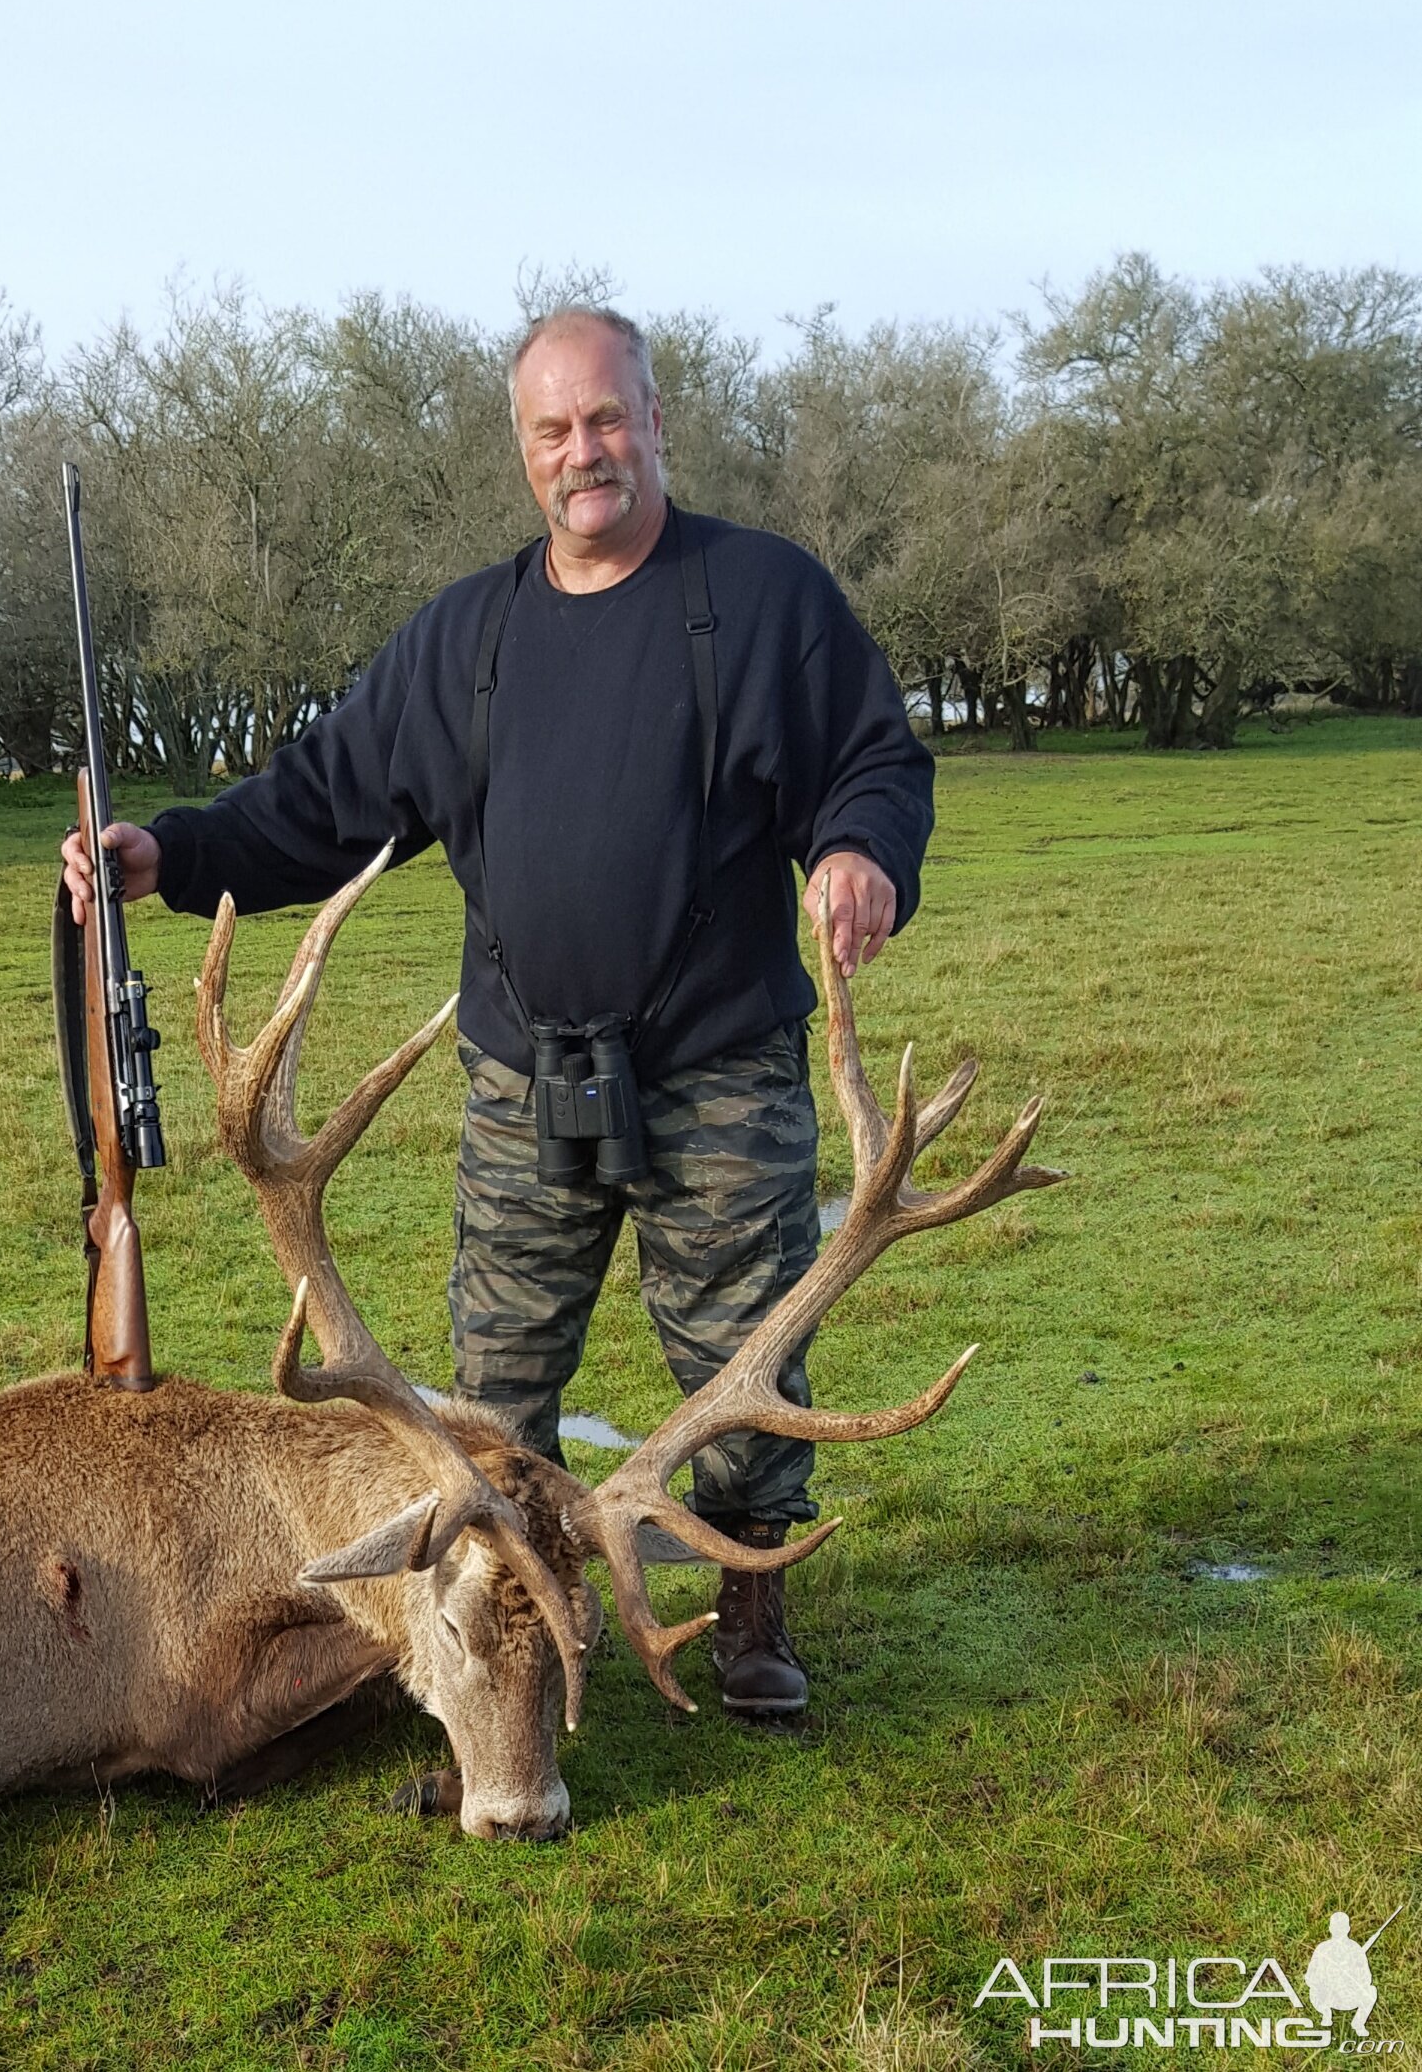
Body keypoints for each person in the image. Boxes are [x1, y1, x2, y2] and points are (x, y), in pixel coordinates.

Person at [62, 306, 933, 1715]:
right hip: (527, 1077)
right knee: (494, 1381)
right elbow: (320, 800)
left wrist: (857, 853)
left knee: (744, 1349)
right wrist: (174, 853)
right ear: (521, 453)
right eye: (551, 431)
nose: (581, 452)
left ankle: (754, 1603)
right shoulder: (466, 637)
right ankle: (501, 1622)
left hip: (719, 1068)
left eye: (604, 420)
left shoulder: (763, 598)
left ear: (655, 425)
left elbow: (873, 763)